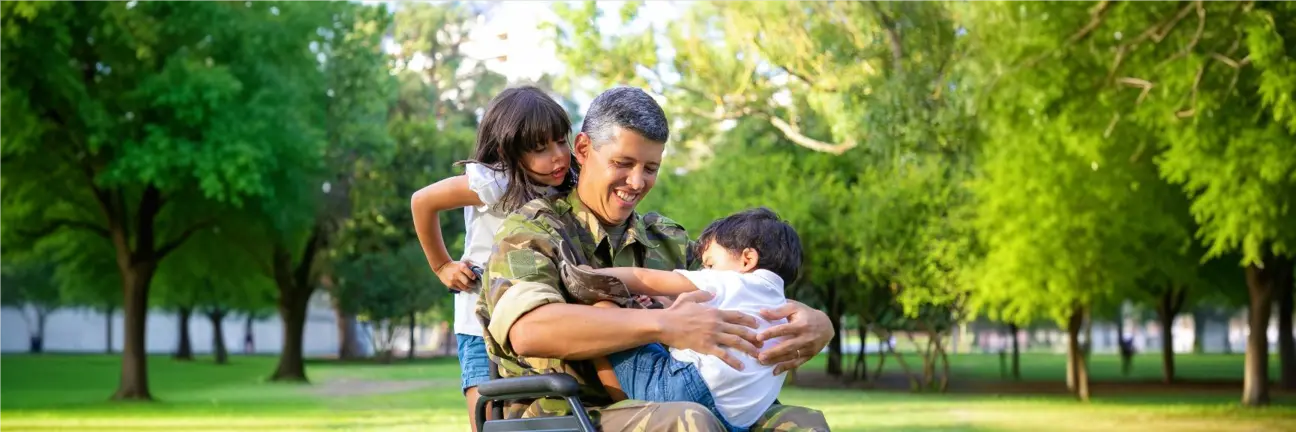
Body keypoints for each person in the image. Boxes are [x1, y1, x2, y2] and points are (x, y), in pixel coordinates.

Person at [478, 86, 834, 431]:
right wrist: (666, 325)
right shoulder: (532, 230)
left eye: (650, 169)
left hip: (678, 397)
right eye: (623, 163)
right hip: (571, 414)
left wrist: (819, 323)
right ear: (584, 149)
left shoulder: (669, 240)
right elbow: (529, 330)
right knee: (687, 421)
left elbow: (738, 288)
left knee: (804, 423)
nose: (636, 182)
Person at [410, 85, 576, 432]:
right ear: (509, 151)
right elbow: (423, 201)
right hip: (479, 325)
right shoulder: (494, 181)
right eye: (541, 148)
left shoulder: (564, 185)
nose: (559, 155)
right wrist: (441, 265)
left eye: (562, 141)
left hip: (534, 323)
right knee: (487, 423)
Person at [565, 207, 803, 432]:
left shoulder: (729, 281)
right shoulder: (782, 310)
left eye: (710, 263)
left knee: (604, 312)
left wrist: (591, 275)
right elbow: (686, 309)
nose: (704, 271)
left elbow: (644, 277)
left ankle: (628, 401)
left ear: (747, 259)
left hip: (682, 391)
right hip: (738, 419)